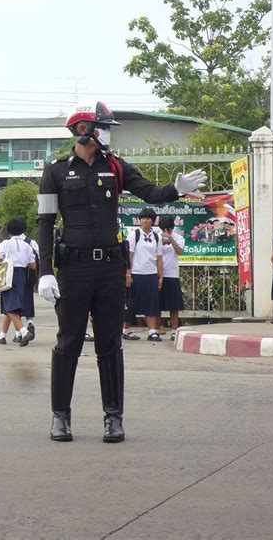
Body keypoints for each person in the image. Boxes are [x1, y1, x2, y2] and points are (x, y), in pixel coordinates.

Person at [36, 100, 207, 443]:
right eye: (103, 127)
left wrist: (177, 189)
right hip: (74, 269)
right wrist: (46, 271)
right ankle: (60, 417)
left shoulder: (115, 167)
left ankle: (113, 418)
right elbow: (45, 222)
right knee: (68, 342)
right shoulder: (55, 172)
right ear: (83, 129)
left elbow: (151, 192)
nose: (107, 133)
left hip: (111, 269)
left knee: (110, 344)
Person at [0, 218, 37, 346]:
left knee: (10, 306)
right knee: (12, 305)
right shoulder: (27, 245)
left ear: (9, 231)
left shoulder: (5, 244)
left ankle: (23, 332)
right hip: (22, 276)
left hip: (8, 274)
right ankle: (2, 336)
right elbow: (33, 265)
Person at [122, 208, 163, 342]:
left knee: (151, 304)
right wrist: (128, 273)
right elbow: (129, 254)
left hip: (150, 274)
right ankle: (125, 330)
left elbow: (159, 257)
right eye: (143, 218)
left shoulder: (156, 236)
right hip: (136, 274)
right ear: (139, 220)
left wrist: (160, 276)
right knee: (131, 303)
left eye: (148, 218)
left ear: (153, 220)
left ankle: (152, 332)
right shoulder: (134, 235)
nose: (145, 220)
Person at [157, 215, 185, 340]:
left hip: (172, 275)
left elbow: (179, 251)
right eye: (163, 229)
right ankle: (155, 330)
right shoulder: (156, 236)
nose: (165, 231)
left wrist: (170, 238)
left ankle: (174, 330)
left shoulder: (179, 237)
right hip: (158, 274)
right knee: (156, 304)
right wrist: (161, 240)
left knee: (173, 305)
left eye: (167, 229)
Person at [17, 217, 39, 341]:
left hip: (16, 275)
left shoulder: (10, 243)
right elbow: (38, 258)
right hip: (30, 274)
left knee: (16, 301)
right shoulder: (32, 242)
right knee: (28, 298)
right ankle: (30, 321)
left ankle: (19, 333)